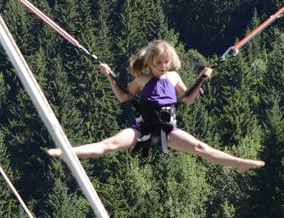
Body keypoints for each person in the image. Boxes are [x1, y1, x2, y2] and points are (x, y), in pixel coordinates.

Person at [47, 40, 265, 173]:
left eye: (166, 62)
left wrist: (201, 79)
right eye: (158, 63)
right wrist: (109, 76)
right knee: (110, 143)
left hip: (168, 129)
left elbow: (187, 99)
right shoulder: (142, 80)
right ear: (150, 63)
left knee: (200, 148)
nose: (163, 67)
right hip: (141, 128)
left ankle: (240, 163)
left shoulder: (173, 78)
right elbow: (124, 97)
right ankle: (69, 153)